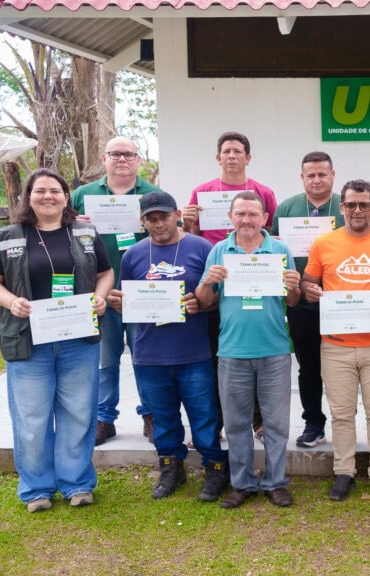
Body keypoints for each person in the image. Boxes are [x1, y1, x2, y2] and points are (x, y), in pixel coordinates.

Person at [0, 168, 113, 512]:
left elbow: (105, 272)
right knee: (31, 418)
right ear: (28, 197)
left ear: (66, 197)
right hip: (29, 343)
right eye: (40, 191)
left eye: (55, 190)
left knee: (79, 413)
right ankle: (37, 489)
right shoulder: (8, 236)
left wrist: (100, 297)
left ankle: (77, 483)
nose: (48, 196)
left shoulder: (85, 233)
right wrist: (11, 301)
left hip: (78, 340)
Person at [106, 190, 229, 502]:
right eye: (150, 218)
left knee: (204, 415)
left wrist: (201, 303)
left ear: (177, 214)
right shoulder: (132, 255)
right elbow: (124, 298)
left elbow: (216, 297)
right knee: (162, 417)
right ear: (142, 221)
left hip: (193, 350)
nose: (158, 223)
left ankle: (215, 468)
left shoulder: (202, 247)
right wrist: (119, 304)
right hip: (148, 352)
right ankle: (171, 469)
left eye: (163, 216)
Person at [195, 191, 302, 509]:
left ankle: (275, 481)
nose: (246, 219)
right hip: (232, 350)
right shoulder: (219, 251)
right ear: (231, 217)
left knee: (277, 423)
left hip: (274, 349)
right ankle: (242, 483)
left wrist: (293, 284)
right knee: (237, 422)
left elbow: (293, 302)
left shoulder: (280, 249)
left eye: (253, 214)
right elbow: (205, 301)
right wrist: (206, 283)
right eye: (240, 213)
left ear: (264, 218)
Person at [303, 179, 370, 502]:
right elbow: (308, 283)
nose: (356, 210)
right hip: (335, 344)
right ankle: (343, 471)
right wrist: (312, 291)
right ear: (342, 207)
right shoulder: (323, 244)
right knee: (342, 413)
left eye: (363, 204)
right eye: (350, 204)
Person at [182, 131, 279, 443]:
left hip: (256, 282)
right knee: (220, 357)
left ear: (248, 158)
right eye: (227, 151)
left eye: (238, 151)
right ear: (218, 157)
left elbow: (272, 234)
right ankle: (222, 420)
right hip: (217, 282)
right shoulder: (202, 191)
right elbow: (193, 235)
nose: (232, 156)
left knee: (258, 354)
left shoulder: (263, 191)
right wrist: (188, 222)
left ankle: (260, 420)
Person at [71, 136, 160, 445]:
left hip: (145, 291)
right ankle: (103, 418)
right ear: (104, 158)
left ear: (138, 160)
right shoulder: (82, 194)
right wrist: (72, 223)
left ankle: (151, 415)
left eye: (129, 154)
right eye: (116, 154)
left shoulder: (153, 194)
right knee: (105, 359)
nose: (123, 160)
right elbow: (57, 229)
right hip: (98, 292)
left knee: (146, 357)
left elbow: (169, 233)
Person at [270, 151, 342, 448]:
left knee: (340, 368)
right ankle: (313, 423)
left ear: (332, 175)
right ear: (302, 177)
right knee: (308, 367)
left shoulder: (344, 205)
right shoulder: (287, 208)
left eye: (322, 174)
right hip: (301, 304)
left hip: (341, 303)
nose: (316, 179)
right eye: (310, 175)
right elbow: (273, 251)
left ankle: (344, 423)